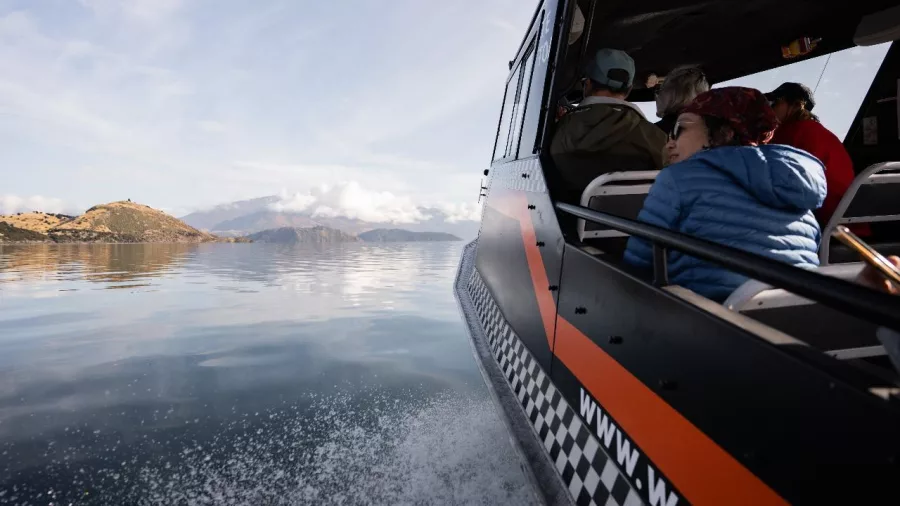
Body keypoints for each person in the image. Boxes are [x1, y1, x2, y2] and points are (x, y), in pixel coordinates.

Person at [623, 87, 827, 302]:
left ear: (721, 133)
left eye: (680, 129)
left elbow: (638, 266)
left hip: (706, 319)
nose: (670, 141)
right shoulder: (796, 184)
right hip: (792, 318)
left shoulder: (677, 178)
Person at [550, 48, 668, 207]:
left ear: (588, 85)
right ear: (629, 90)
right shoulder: (655, 137)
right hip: (639, 227)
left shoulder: (557, 131)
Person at [765, 82, 868, 236]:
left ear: (795, 105)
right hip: (853, 224)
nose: (770, 109)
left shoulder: (789, 133)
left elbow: (768, 179)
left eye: (775, 103)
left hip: (826, 226)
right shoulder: (822, 133)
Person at [654, 65, 710, 136]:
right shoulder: (709, 129)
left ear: (675, 93)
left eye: (660, 91)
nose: (657, 97)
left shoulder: (651, 132)